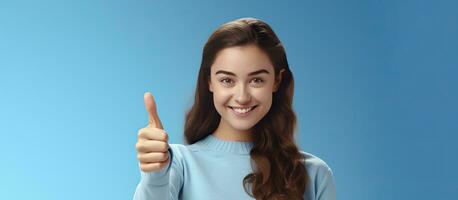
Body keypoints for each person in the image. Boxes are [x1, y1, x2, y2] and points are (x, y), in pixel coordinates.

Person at [133, 17, 336, 200]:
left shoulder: (314, 174)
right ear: (209, 81)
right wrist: (155, 177)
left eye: (256, 80)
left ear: (277, 81)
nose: (242, 97)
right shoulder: (177, 164)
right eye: (227, 80)